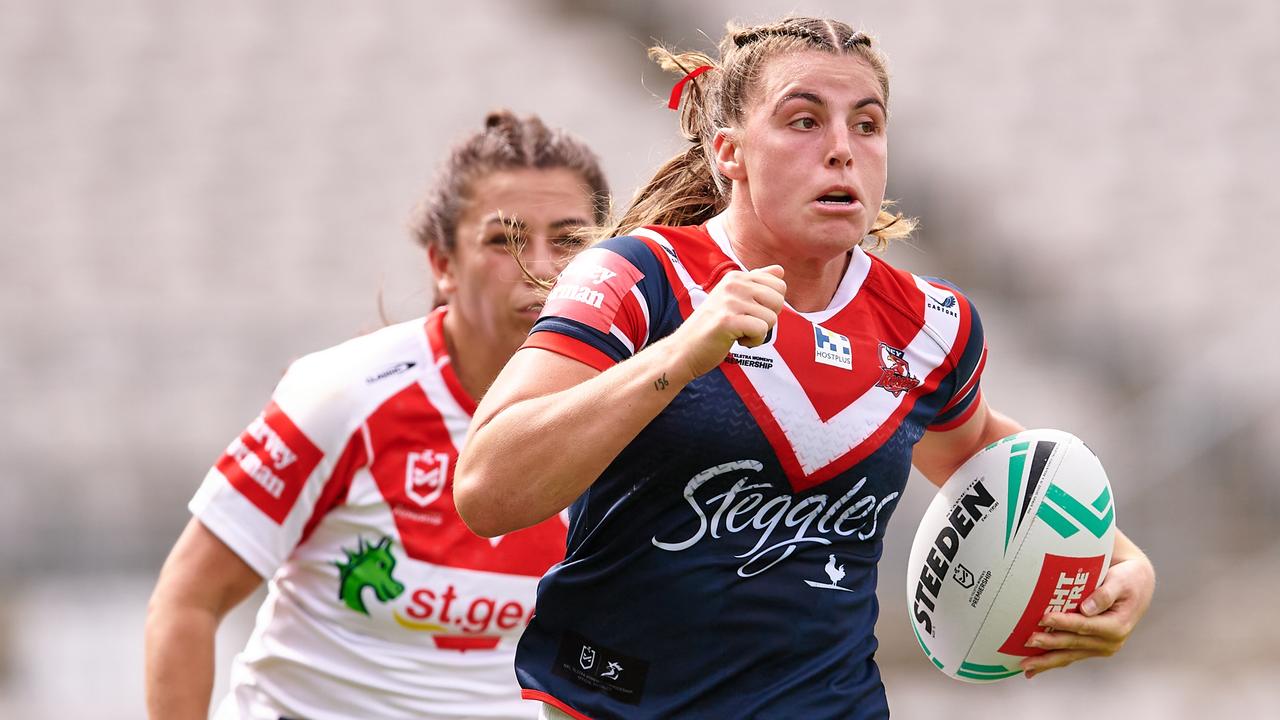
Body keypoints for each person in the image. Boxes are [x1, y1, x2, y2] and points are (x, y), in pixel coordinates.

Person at [454, 18, 1156, 720]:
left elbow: (977, 452)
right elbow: (487, 490)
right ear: (730, 152)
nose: (843, 151)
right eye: (803, 121)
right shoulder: (640, 278)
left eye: (868, 125)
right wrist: (679, 355)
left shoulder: (932, 326)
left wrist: (1122, 559)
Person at [145, 110, 610, 720]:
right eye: (505, 240)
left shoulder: (626, 411)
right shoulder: (343, 393)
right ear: (442, 265)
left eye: (570, 239)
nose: (542, 268)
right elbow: (187, 601)